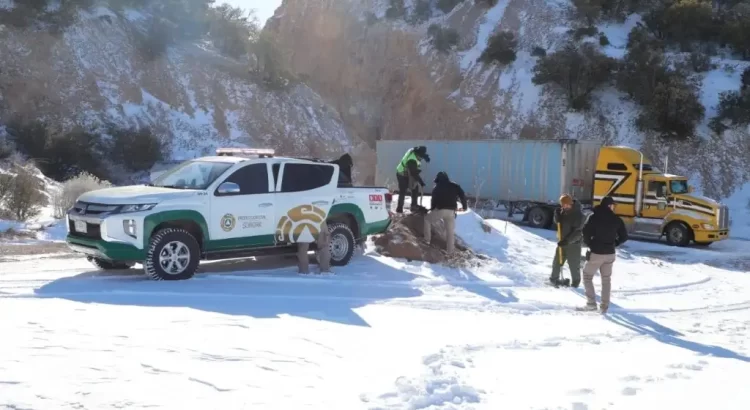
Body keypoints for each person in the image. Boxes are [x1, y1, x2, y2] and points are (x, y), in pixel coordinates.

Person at [579, 196, 629, 313]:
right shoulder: (616, 219)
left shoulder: (594, 217)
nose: (613, 207)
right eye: (613, 205)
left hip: (596, 252)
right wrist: (614, 243)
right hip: (610, 253)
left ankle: (591, 303)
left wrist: (590, 243)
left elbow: (585, 232)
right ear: (609, 206)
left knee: (587, 276)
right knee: (606, 280)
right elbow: (624, 236)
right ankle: (604, 307)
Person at [424, 171, 467, 254]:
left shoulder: (436, 188)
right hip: (451, 212)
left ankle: (427, 241)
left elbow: (433, 202)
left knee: (427, 220)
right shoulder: (455, 185)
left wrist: (432, 210)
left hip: (441, 210)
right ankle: (450, 252)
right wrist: (464, 206)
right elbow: (462, 195)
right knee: (450, 232)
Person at [549, 194, 585, 288]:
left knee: (573, 264)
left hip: (574, 244)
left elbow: (577, 232)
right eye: (562, 205)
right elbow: (558, 223)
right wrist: (556, 216)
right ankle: (554, 278)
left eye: (565, 205)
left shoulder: (579, 215)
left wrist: (567, 241)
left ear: (570, 203)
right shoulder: (563, 212)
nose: (563, 206)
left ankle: (575, 282)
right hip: (562, 241)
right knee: (557, 261)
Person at [395, 146, 430, 213]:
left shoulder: (415, 151)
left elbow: (420, 152)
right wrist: (421, 182)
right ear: (417, 155)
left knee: (415, 188)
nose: (421, 158)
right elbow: (414, 174)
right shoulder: (412, 160)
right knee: (403, 190)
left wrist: (426, 157)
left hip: (409, 173)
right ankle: (399, 209)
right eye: (421, 157)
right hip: (401, 173)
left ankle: (414, 206)